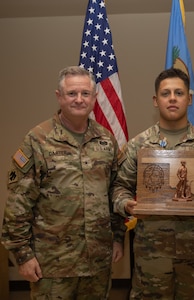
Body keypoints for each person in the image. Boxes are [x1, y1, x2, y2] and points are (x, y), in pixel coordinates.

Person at [1, 66, 127, 299]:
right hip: (53, 265)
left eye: (85, 93)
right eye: (72, 93)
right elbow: (19, 203)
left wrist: (118, 238)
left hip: (97, 262)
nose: (79, 100)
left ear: (94, 97)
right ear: (59, 96)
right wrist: (23, 255)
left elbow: (114, 192)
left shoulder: (106, 140)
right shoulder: (37, 139)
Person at [112, 68, 194, 299]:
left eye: (179, 92)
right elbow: (119, 188)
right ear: (156, 100)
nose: (172, 98)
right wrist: (127, 205)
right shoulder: (139, 146)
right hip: (151, 256)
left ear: (189, 99)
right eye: (165, 93)